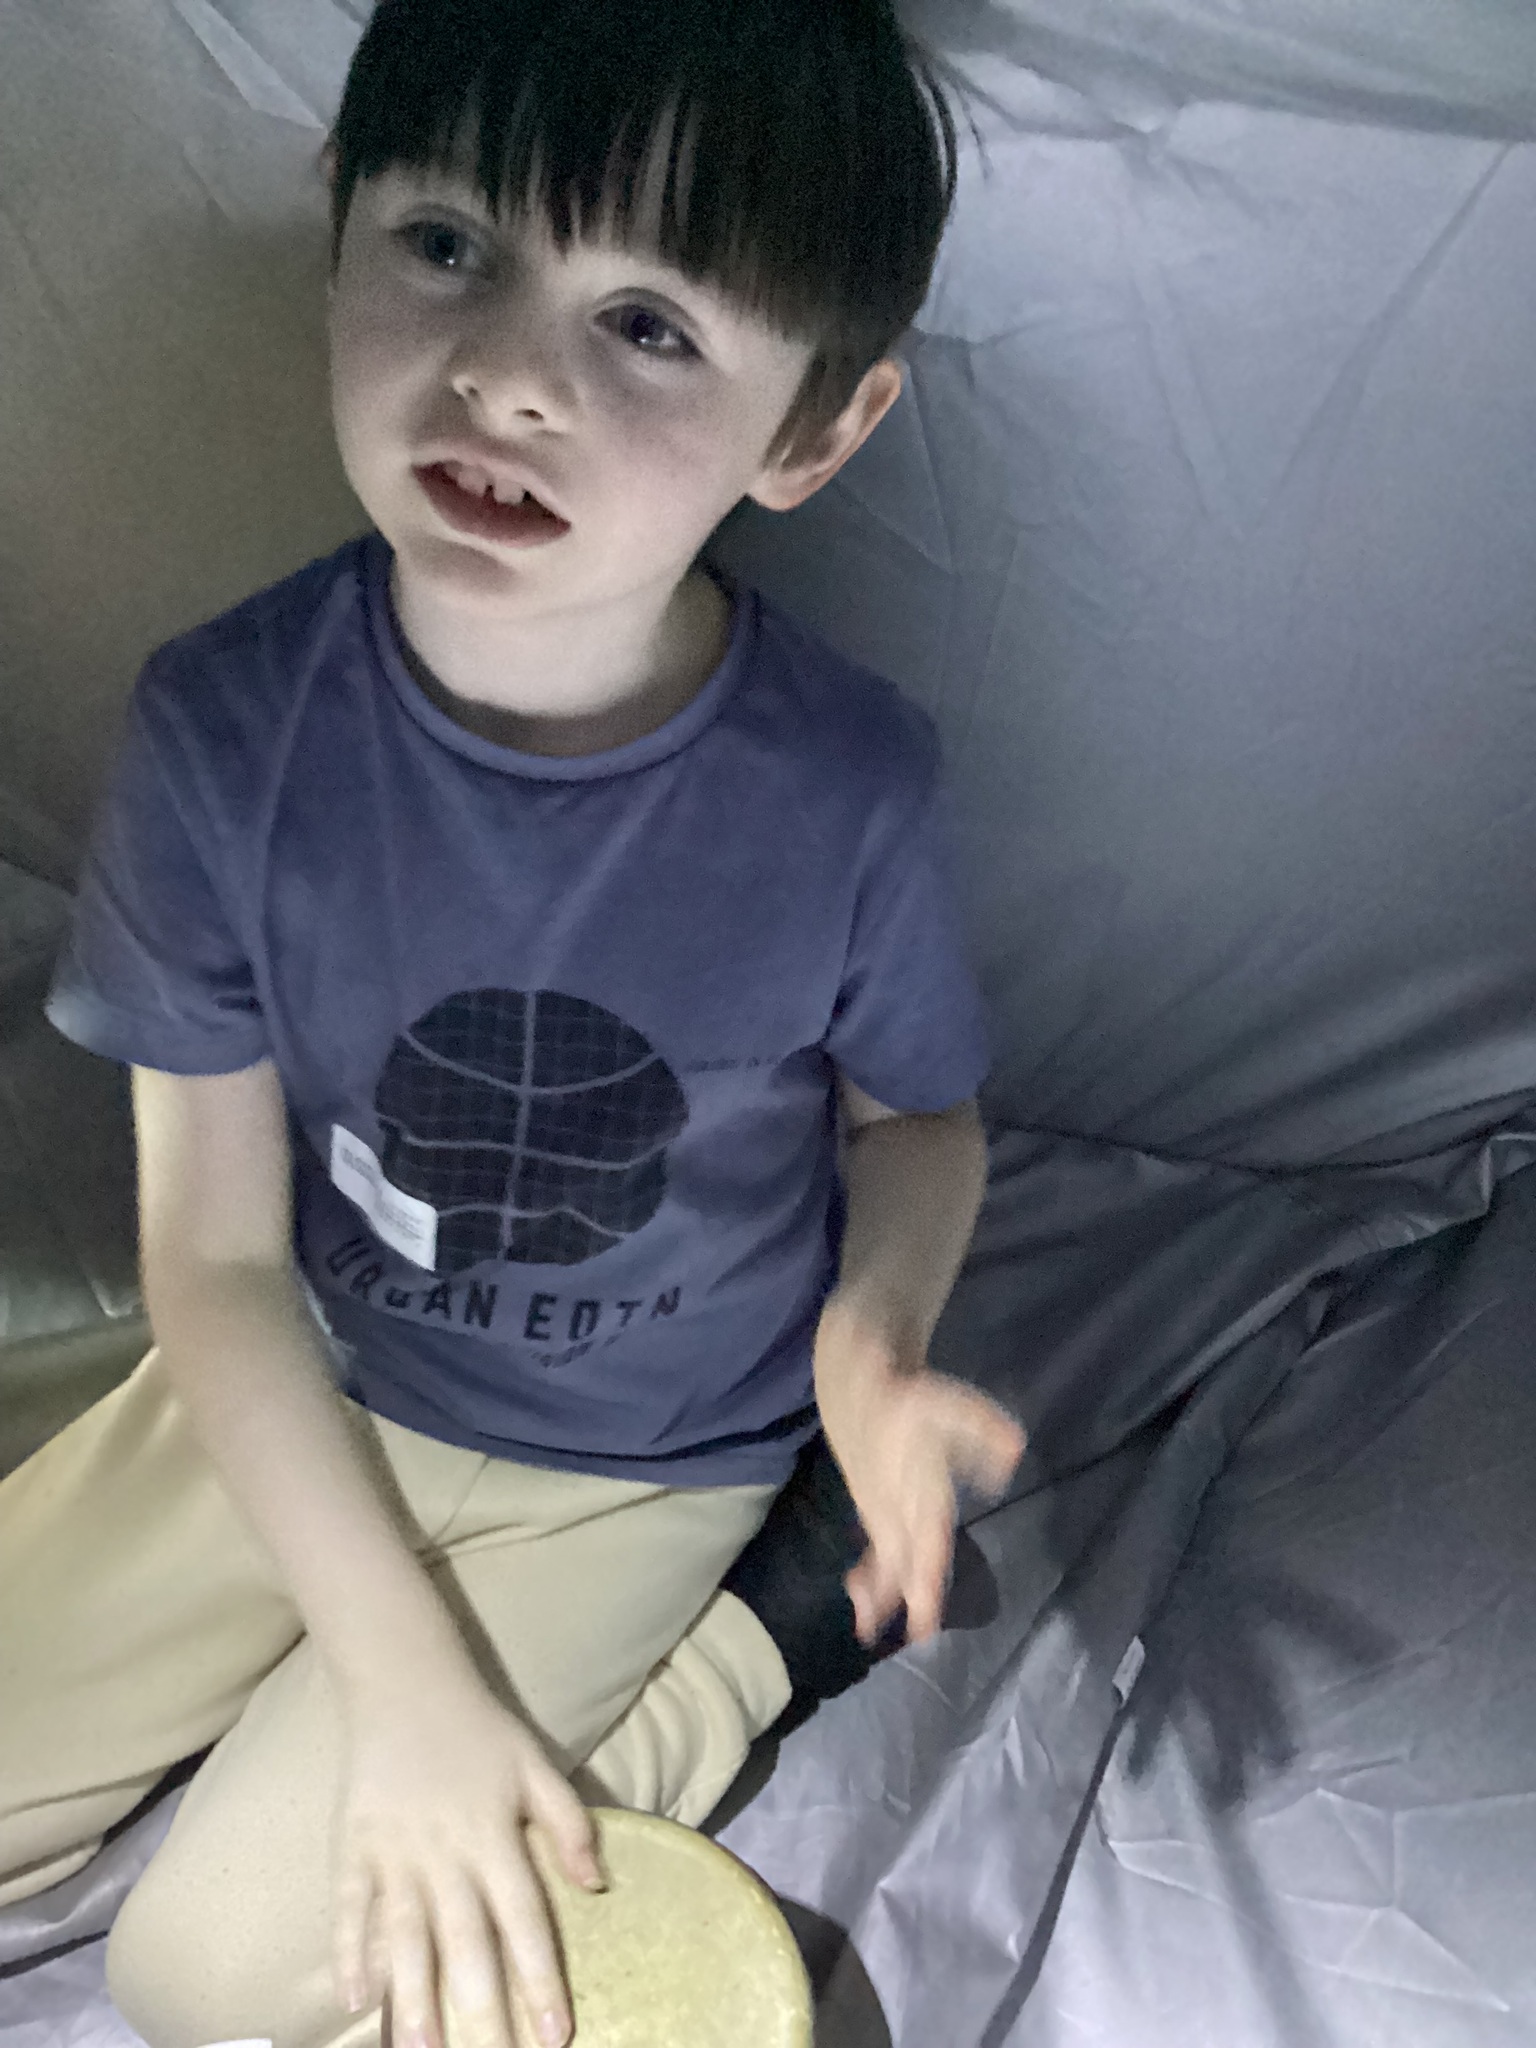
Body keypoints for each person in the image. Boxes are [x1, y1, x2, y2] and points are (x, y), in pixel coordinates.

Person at [0, 2, 1026, 2043]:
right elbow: (212, 1262)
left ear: (816, 431)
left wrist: (874, 1349)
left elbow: (918, 1121)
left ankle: (763, 1632)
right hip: (300, 1376)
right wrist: (403, 1684)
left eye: (647, 325)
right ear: (338, 220)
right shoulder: (222, 731)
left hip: (642, 1462)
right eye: (448, 244)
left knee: (218, 1975)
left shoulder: (843, 788)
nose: (506, 374)